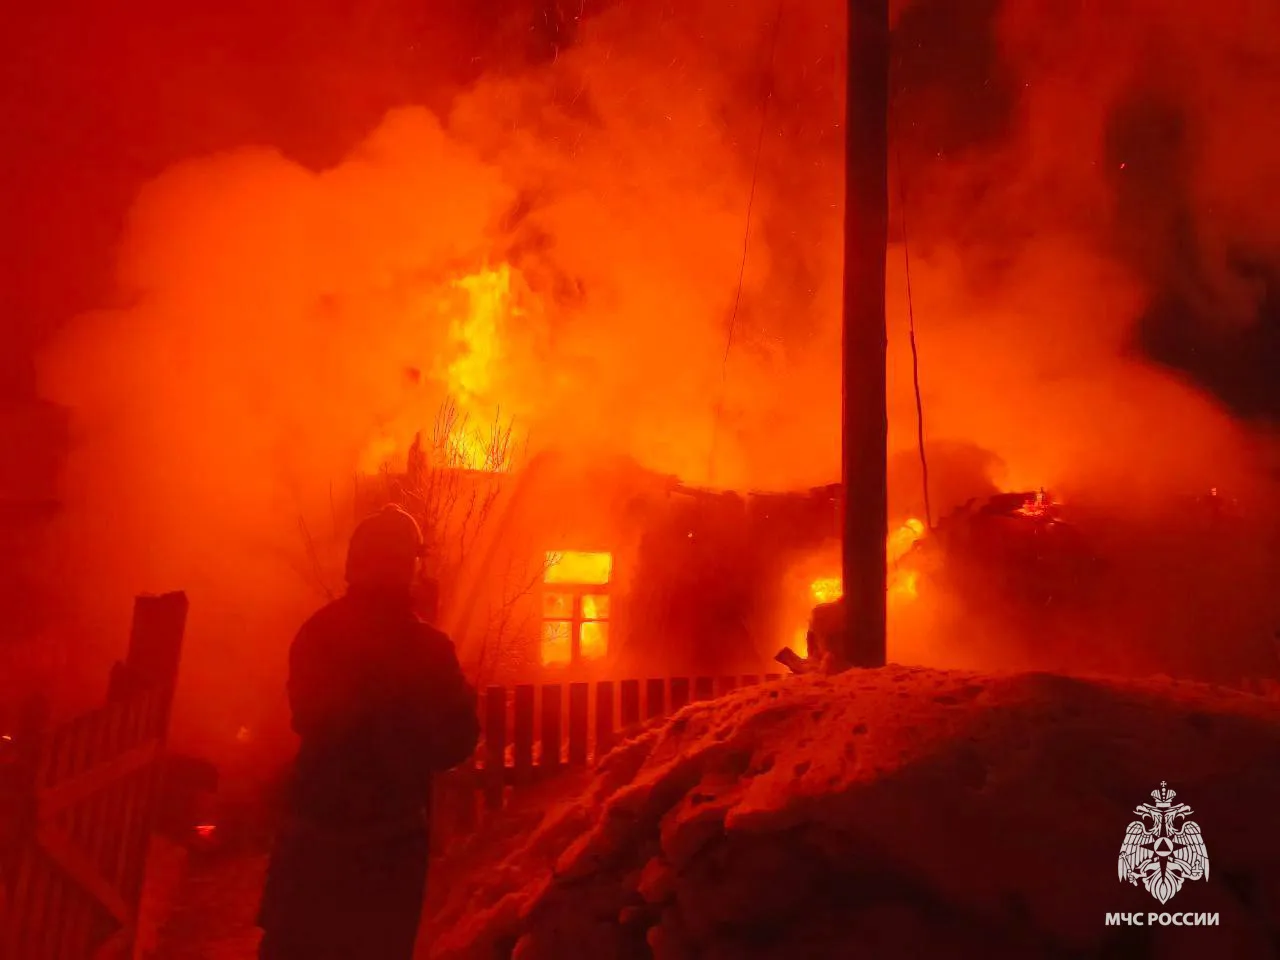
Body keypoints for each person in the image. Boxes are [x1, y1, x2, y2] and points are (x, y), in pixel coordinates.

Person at [258, 505, 480, 960]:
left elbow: (306, 718)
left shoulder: (318, 632)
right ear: (409, 568)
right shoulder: (429, 650)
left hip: (311, 840)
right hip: (390, 848)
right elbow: (458, 740)